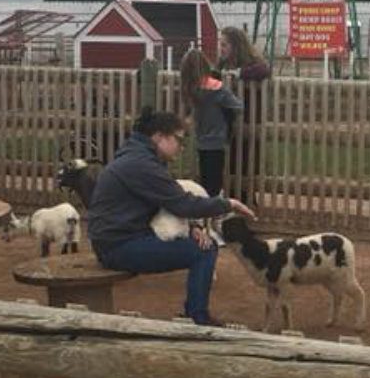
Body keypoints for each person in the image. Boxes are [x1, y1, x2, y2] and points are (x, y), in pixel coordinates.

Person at [88, 107, 255, 327]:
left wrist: (193, 227)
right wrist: (228, 204)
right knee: (204, 251)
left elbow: (167, 203)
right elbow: (183, 203)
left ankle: (195, 314)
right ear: (159, 136)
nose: (182, 147)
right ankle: (198, 317)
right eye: (179, 139)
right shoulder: (142, 165)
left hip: (119, 238)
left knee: (201, 244)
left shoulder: (138, 157)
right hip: (117, 247)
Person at [216, 26, 271, 206]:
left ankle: (247, 202)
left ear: (236, 46)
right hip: (229, 125)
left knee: (247, 165)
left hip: (249, 123)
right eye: (220, 44)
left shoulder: (251, 63)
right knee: (229, 165)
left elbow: (264, 70)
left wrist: (240, 74)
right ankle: (231, 203)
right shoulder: (222, 65)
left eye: (224, 44)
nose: (220, 48)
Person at [179, 47, 242, 197]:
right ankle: (214, 213)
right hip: (217, 141)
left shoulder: (191, 89)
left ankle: (206, 212)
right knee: (214, 182)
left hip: (201, 140)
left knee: (205, 180)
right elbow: (237, 106)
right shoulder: (217, 89)